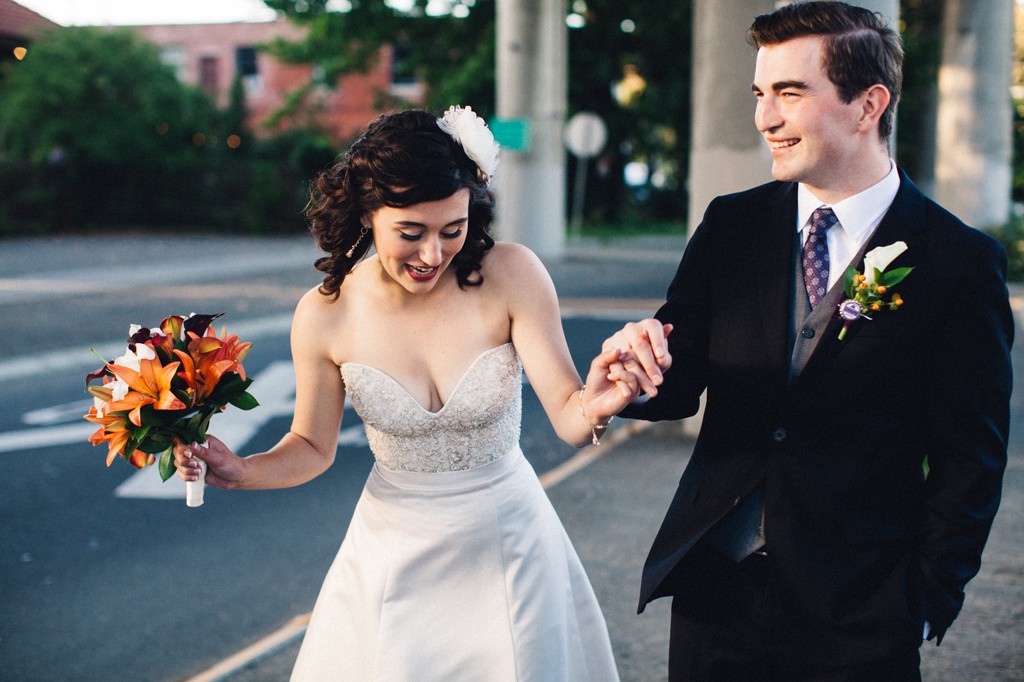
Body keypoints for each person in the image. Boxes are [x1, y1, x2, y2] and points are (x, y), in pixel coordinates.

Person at [589, 2, 1014, 680]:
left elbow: (971, 457)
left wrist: (925, 596)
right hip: (715, 598)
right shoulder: (732, 226)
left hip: (861, 614)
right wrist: (627, 376)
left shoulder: (959, 263)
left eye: (790, 93)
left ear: (867, 104)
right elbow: (678, 377)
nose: (764, 119)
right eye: (761, 94)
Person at [173, 107, 632, 680]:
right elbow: (312, 447)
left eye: (453, 230)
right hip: (393, 553)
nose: (433, 255)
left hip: (512, 542)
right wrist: (241, 470)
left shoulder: (512, 274)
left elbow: (570, 415)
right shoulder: (324, 315)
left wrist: (600, 403)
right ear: (368, 215)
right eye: (410, 233)